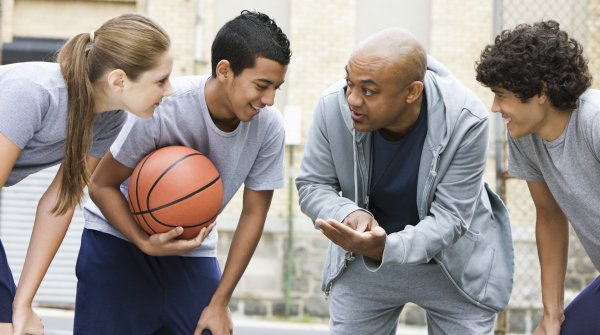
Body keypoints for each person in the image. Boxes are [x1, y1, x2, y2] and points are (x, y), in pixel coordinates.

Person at [75, 10, 291, 335]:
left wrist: (220, 301)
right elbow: (101, 184)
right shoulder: (164, 105)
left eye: (276, 87)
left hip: (193, 250)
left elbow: (253, 214)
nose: (270, 99)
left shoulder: (269, 128)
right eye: (262, 85)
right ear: (225, 71)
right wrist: (143, 241)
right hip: (118, 240)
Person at [295, 28, 514, 335]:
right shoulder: (333, 106)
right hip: (365, 259)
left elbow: (451, 218)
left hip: (451, 265)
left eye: (368, 91)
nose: (353, 100)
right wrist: (350, 215)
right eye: (349, 84)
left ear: (412, 92)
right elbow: (313, 184)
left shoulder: (467, 118)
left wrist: (388, 247)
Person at [0, 13, 172, 335]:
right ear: (119, 80)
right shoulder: (34, 92)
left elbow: (60, 201)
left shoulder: (109, 119)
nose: (170, 91)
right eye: (161, 81)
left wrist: (23, 302)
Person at [476, 20, 599, 335]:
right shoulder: (524, 137)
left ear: (541, 91)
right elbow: (549, 216)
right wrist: (551, 315)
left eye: (502, 95)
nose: (494, 107)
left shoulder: (594, 122)